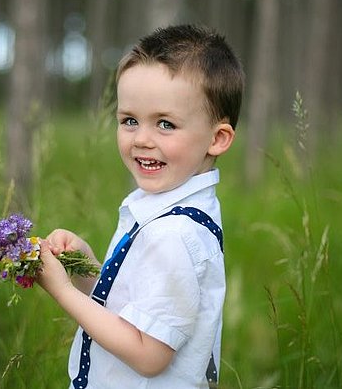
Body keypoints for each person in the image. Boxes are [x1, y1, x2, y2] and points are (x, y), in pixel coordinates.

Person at [37, 24, 244, 389]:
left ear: (217, 138)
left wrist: (63, 292)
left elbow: (149, 355)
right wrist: (83, 268)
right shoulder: (162, 208)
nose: (142, 139)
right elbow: (136, 308)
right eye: (129, 120)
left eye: (165, 124)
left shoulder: (174, 234)